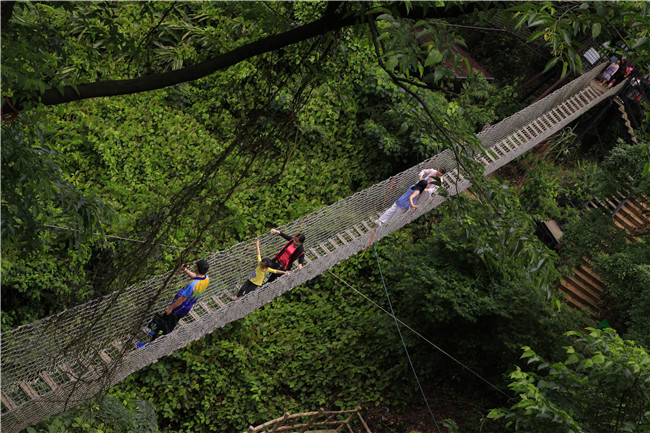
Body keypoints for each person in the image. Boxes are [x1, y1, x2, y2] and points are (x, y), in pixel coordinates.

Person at [139, 259, 210, 346]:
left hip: (178, 309)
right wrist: (186, 270)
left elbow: (182, 299)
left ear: (196, 268)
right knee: (164, 321)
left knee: (166, 327)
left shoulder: (192, 285)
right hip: (186, 307)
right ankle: (156, 333)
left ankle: (152, 345)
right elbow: (195, 277)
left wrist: (170, 308)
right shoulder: (206, 279)